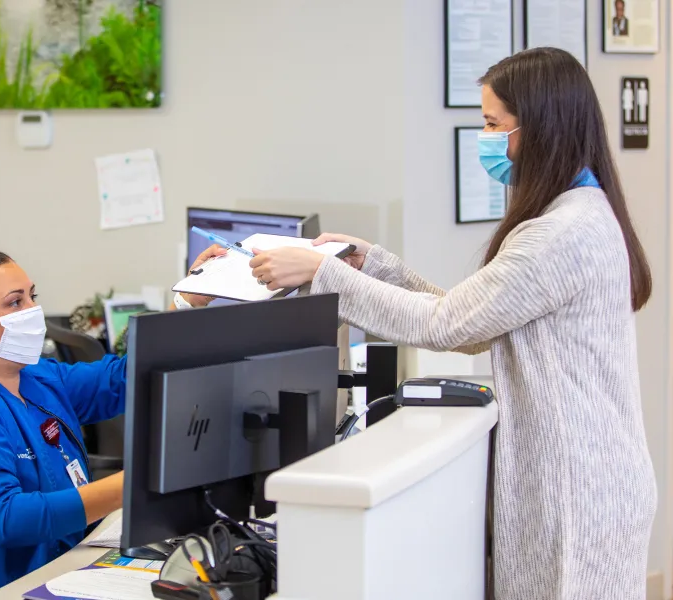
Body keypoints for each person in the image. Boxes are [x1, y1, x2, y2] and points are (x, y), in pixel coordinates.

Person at [247, 48, 656, 599]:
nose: (484, 139)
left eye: (492, 124)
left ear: (541, 129)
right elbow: (478, 319)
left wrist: (324, 275)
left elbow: (449, 326)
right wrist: (379, 266)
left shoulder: (559, 234)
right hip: (584, 479)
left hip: (577, 489)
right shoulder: (575, 213)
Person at [0, 245, 224, 591]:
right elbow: (4, 518)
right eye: (15, 302)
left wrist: (188, 301)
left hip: (55, 571)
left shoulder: (38, 377)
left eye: (31, 296)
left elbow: (125, 378)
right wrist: (133, 484)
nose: (33, 310)